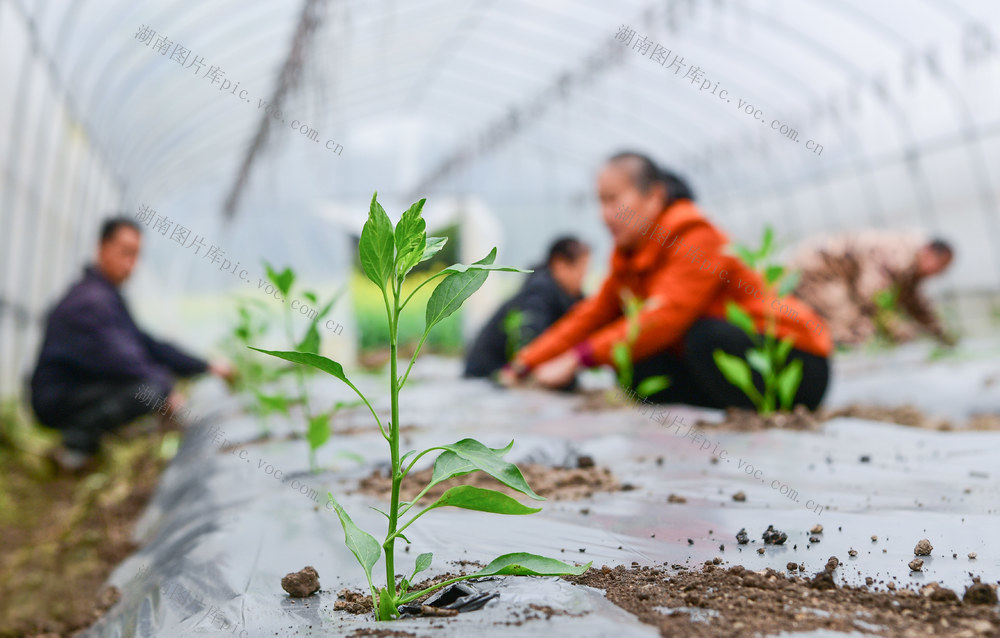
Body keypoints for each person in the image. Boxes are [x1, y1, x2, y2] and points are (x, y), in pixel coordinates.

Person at [501, 151, 833, 410]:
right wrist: (525, 363)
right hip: (729, 367)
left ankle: (758, 418)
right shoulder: (630, 256)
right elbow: (590, 316)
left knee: (702, 335)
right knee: (637, 364)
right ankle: (713, 419)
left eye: (614, 199)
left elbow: (664, 317)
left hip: (795, 363)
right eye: (600, 201)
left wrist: (578, 359)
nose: (604, 214)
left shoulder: (696, 237)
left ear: (654, 197)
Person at [29, 217, 232, 471]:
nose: (130, 264)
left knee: (153, 384)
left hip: (79, 390)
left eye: (136, 255)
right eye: (125, 253)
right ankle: (75, 447)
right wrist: (167, 391)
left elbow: (147, 344)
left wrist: (206, 366)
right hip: (56, 398)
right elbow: (122, 359)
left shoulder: (107, 296)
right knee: (151, 388)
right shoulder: (90, 302)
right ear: (102, 248)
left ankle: (83, 442)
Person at [787, 230, 955, 346]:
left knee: (857, 323)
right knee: (851, 324)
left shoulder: (914, 263)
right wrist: (895, 328)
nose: (938, 273)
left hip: (836, 274)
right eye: (940, 266)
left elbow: (914, 301)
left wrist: (940, 332)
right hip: (816, 269)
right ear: (929, 252)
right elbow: (870, 294)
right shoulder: (900, 256)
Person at [464, 237, 589, 378]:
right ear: (559, 264)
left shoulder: (565, 296)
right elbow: (530, 342)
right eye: (582, 267)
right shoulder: (539, 294)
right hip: (487, 373)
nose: (584, 275)